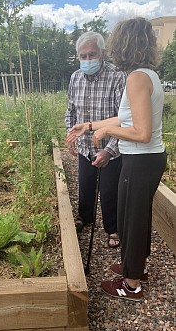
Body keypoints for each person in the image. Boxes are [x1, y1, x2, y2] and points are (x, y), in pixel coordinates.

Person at [67, 17, 166, 301]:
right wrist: (90, 125)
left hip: (140, 160)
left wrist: (108, 131)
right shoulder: (147, 74)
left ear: (124, 44)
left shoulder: (135, 78)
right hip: (145, 160)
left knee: (131, 222)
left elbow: (142, 132)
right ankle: (135, 266)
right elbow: (126, 117)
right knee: (132, 217)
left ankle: (131, 284)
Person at [65, 30, 126, 248]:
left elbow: (124, 118)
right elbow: (70, 111)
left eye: (92, 55)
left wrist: (109, 150)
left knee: (110, 190)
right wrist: (71, 135)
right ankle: (85, 218)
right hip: (84, 146)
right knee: (85, 184)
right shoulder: (75, 78)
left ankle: (113, 228)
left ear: (101, 53)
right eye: (83, 56)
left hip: (111, 146)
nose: (88, 60)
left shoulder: (117, 76)